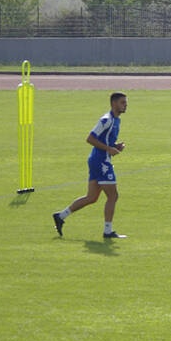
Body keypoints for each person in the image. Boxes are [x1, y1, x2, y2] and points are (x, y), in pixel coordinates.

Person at [53, 92, 129, 239]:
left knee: (92, 197)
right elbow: (90, 138)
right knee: (113, 196)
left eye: (125, 102)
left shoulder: (116, 120)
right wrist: (108, 149)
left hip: (98, 160)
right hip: (101, 161)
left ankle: (61, 216)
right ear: (114, 104)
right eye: (122, 102)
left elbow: (103, 140)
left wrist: (115, 146)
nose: (125, 105)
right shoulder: (106, 120)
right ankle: (108, 231)